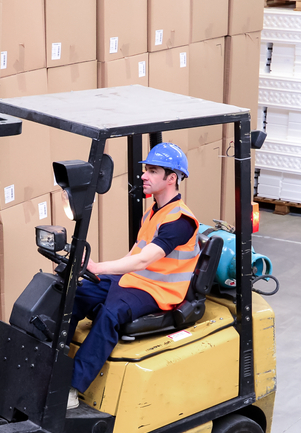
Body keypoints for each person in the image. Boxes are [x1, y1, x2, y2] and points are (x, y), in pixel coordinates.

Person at [67, 143, 201, 410]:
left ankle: (71, 388)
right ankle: (48, 359)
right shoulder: (153, 212)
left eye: (152, 171)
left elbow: (143, 259)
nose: (144, 175)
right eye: (145, 170)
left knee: (110, 314)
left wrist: (98, 268)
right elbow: (137, 259)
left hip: (158, 291)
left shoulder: (181, 221)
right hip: (135, 281)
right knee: (77, 293)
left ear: (171, 178)